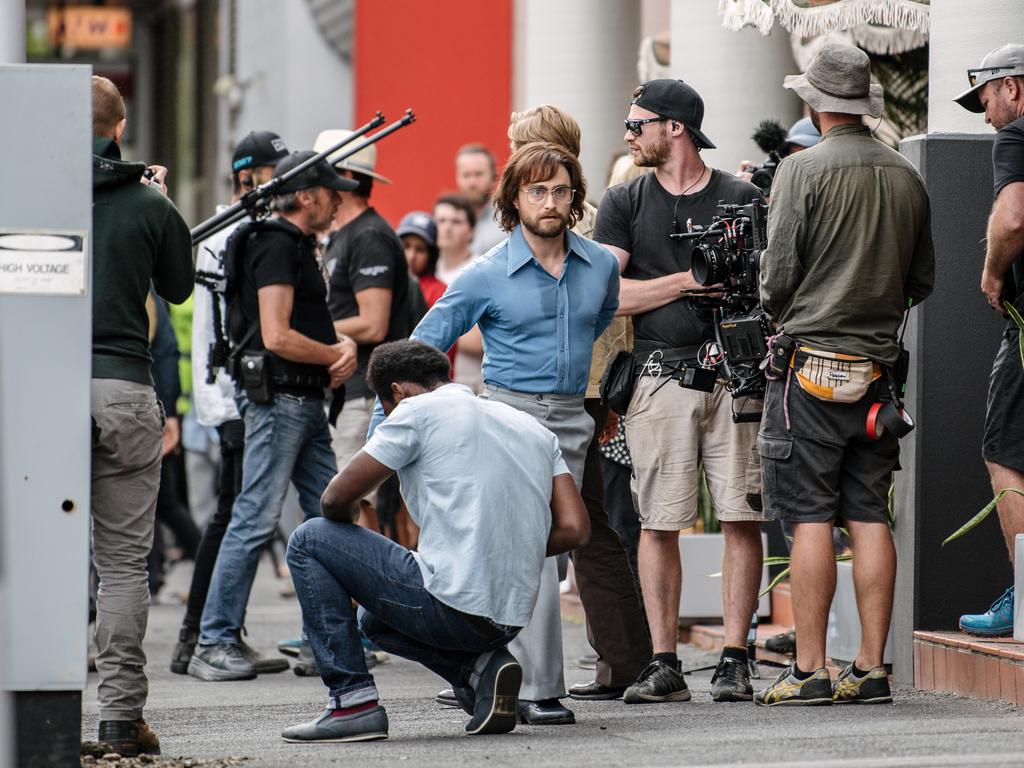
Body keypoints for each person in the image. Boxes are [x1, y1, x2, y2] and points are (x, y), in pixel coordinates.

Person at [373, 141, 620, 725]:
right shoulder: (484, 274)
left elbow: (600, 317)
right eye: (537, 190)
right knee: (529, 550)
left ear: (575, 197)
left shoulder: (601, 266)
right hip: (508, 417)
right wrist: (403, 420)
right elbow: (424, 344)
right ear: (513, 199)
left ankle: (485, 664)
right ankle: (537, 690)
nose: (551, 201)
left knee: (556, 550)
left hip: (571, 416)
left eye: (561, 190)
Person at [280, 340, 590, 742]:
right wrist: (507, 542)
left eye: (385, 409)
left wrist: (350, 542)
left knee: (309, 538)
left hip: (454, 603)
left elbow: (335, 499)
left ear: (397, 391)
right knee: (374, 620)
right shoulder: (528, 426)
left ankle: (351, 702)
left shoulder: (416, 409)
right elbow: (576, 530)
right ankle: (481, 669)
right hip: (509, 618)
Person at [754, 41, 934, 706]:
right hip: (877, 376)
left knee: (808, 516)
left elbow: (775, 281)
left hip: (808, 371)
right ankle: (871, 666)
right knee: (867, 513)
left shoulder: (799, 173)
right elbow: (921, 281)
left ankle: (809, 669)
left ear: (815, 102)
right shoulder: (905, 175)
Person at [595, 79, 769, 705]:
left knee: (741, 515)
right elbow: (608, 295)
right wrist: (682, 284)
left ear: (674, 127)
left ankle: (735, 659)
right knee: (659, 520)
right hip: (657, 373)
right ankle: (664, 662)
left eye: (636, 123)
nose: (628, 134)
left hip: (735, 373)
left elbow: (768, 286)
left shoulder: (742, 196)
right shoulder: (623, 200)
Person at [189, 151, 359, 680]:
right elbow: (276, 334)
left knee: (333, 514)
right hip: (280, 401)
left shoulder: (291, 244)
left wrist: (337, 346)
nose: (339, 200)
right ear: (307, 195)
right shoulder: (276, 244)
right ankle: (213, 641)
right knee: (256, 517)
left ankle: (322, 640)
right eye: (332, 191)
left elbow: (288, 330)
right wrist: (336, 353)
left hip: (301, 401)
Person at [506, 105, 652, 701]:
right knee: (588, 524)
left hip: (567, 393)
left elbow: (597, 305)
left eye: (516, 144)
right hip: (586, 393)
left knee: (574, 527)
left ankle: (617, 662)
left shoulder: (565, 225)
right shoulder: (586, 215)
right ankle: (619, 661)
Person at [90, 75, 194, 756]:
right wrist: (155, 196)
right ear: (121, 127)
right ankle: (121, 718)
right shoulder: (148, 204)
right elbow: (180, 286)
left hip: (38, 393)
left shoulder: (24, 194)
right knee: (124, 565)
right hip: (124, 390)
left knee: (24, 557)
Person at [170, 131, 291, 675]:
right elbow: (209, 333)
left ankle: (219, 633)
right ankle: (198, 638)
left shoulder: (264, 228)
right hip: (236, 402)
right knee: (231, 517)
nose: (284, 178)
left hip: (251, 398)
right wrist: (223, 410)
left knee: (238, 517)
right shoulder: (225, 234)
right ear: (248, 176)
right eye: (274, 170)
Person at [954, 43, 1024, 637]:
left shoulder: (1017, 135)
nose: (986, 116)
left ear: (1013, 88)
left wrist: (992, 271)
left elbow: (1013, 218)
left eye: (985, 99)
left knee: (1004, 451)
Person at [314, 129, 410, 532]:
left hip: (365, 392)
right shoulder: (344, 236)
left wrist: (309, 330)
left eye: (319, 174)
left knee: (357, 500)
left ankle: (370, 594)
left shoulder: (368, 235)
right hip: (350, 392)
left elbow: (374, 321)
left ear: (344, 178)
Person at [433, 193, 484, 391]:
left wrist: (427, 322)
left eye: (456, 221)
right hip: (432, 387)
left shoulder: (480, 271)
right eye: (441, 220)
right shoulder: (428, 270)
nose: (447, 227)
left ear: (471, 231)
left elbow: (479, 342)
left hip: (471, 385)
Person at [455, 143, 506, 254]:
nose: (472, 183)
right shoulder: (447, 221)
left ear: (494, 176)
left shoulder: (509, 217)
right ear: (457, 177)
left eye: (478, 174)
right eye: (466, 175)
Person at [397, 210, 446, 308]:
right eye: (406, 246)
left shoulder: (440, 293)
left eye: (420, 249)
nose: (411, 256)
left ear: (431, 255)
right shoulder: (383, 281)